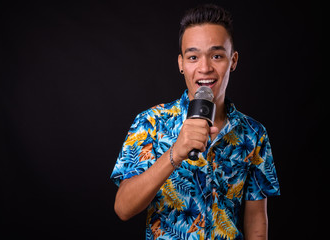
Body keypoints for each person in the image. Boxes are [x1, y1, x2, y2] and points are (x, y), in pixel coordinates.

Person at [110, 4, 280, 240]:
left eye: (217, 56)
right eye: (193, 57)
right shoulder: (150, 122)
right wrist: (176, 153)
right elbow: (123, 208)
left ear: (233, 60)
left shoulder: (253, 133)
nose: (205, 68)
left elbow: (256, 218)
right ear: (181, 63)